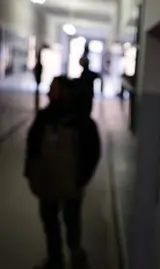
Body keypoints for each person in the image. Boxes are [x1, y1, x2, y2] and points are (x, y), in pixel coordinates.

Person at [24, 76, 101, 269]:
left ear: (66, 93)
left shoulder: (83, 123)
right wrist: (31, 173)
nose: (49, 92)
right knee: (50, 221)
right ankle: (55, 258)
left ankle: (75, 252)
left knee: (71, 219)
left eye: (54, 89)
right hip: (47, 181)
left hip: (72, 182)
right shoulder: (44, 118)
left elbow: (93, 152)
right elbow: (32, 146)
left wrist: (81, 178)